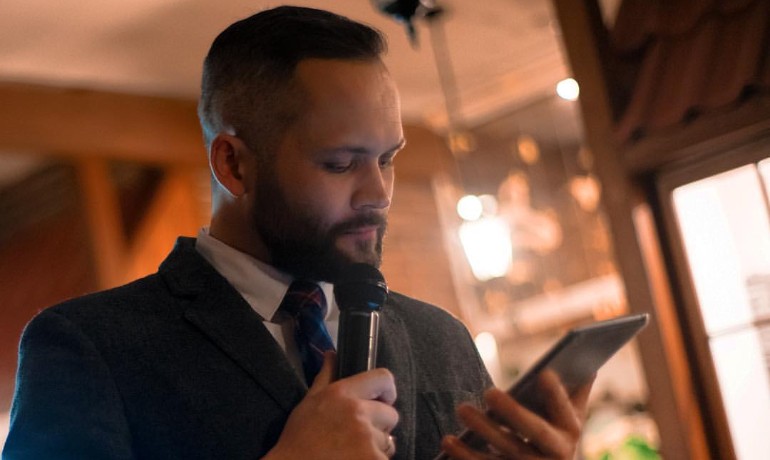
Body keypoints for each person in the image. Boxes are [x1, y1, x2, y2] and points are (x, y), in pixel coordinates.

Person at [2, 6, 593, 460]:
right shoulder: (92, 347)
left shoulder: (441, 338)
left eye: (387, 158)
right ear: (233, 163)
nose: (378, 193)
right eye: (340, 163)